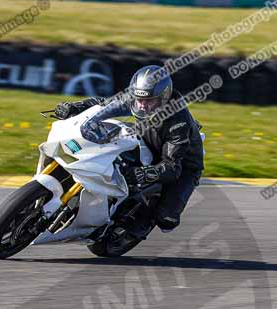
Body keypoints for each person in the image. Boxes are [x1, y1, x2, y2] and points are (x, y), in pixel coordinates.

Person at [54, 65, 204, 236]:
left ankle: (137, 224)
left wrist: (147, 173)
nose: (142, 106)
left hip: (182, 163)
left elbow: (172, 167)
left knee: (167, 219)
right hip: (146, 141)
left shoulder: (178, 123)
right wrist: (76, 107)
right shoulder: (138, 99)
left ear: (164, 98)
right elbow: (104, 104)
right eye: (139, 100)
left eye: (149, 101)